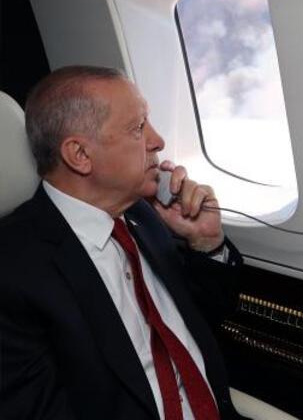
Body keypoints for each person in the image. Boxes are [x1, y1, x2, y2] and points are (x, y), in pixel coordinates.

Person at [0, 66, 247, 420]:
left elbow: (199, 327)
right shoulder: (13, 269)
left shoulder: (142, 215)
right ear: (79, 155)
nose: (158, 141)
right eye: (138, 127)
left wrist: (207, 242)